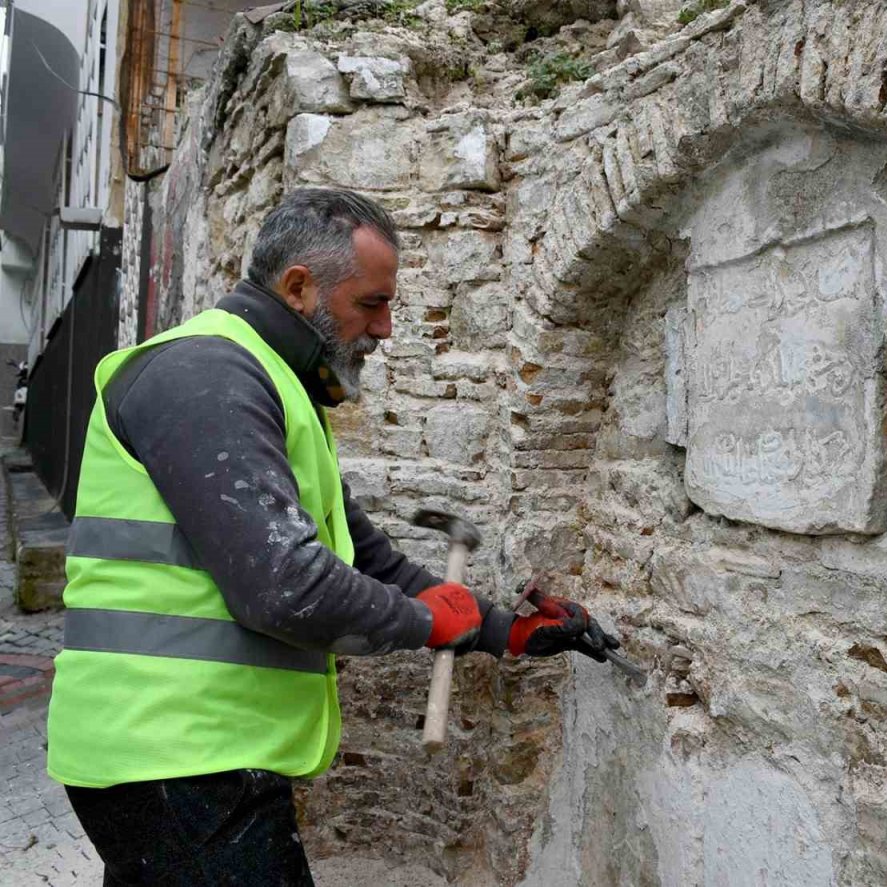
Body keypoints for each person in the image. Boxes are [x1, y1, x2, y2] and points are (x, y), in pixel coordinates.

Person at [45, 187, 616, 885]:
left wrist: (500, 630)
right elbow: (285, 586)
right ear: (297, 286)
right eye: (371, 303)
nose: (384, 328)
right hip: (173, 758)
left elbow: (365, 555)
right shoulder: (209, 374)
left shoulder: (267, 384)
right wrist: (419, 620)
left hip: (185, 756)